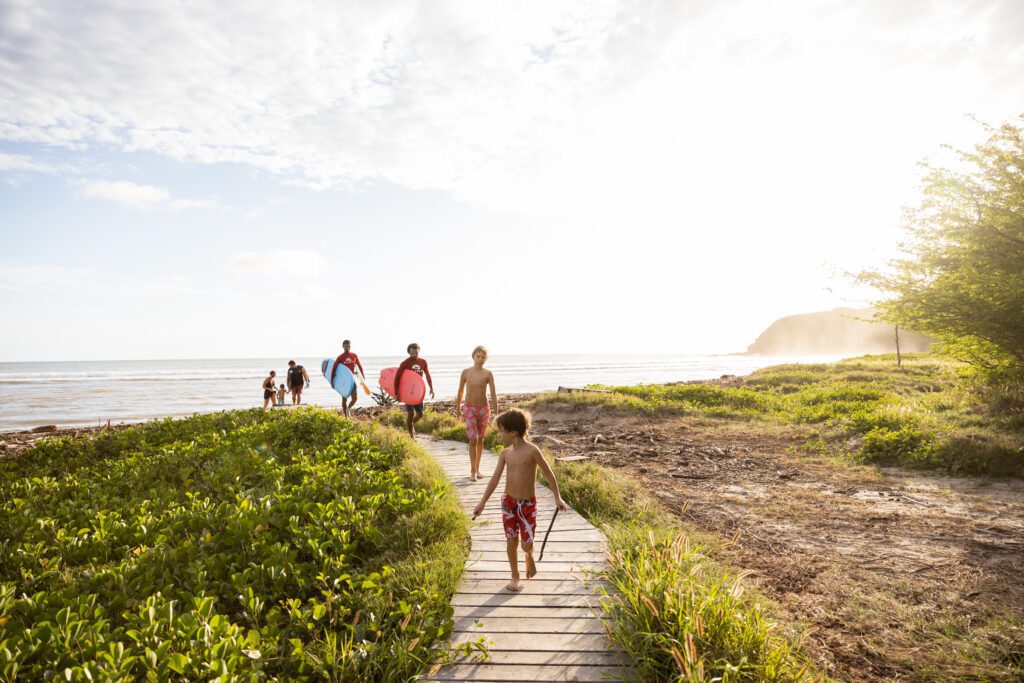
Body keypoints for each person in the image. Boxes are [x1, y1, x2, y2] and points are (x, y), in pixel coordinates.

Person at [472, 409, 567, 593]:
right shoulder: (505, 453)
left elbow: (549, 473)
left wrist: (557, 497)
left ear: (513, 432)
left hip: (527, 505)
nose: (499, 435)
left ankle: (529, 554)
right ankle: (514, 576)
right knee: (511, 540)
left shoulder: (533, 451)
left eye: (501, 431)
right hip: (508, 502)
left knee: (526, 544)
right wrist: (482, 502)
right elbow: (495, 479)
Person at [456, 345, 498, 482]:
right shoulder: (466, 372)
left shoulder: (488, 374)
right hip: (469, 408)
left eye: (483, 357)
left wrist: (496, 413)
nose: (480, 359)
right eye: (478, 356)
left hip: (483, 408)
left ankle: (478, 468)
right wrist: (458, 409)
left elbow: (493, 394)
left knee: (481, 439)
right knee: (472, 439)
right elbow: (460, 392)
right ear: (473, 356)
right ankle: (472, 470)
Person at [394, 343, 435, 437]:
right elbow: (397, 377)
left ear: (419, 351)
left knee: (420, 414)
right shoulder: (405, 363)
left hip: (418, 391)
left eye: (416, 352)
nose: (415, 354)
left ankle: (410, 425)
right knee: (410, 412)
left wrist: (431, 388)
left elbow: (428, 375)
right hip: (407, 391)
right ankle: (411, 435)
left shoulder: (423, 362)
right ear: (409, 352)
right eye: (412, 353)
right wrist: (396, 392)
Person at [332, 340, 365, 416]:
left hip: (352, 381)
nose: (348, 347)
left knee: (355, 398)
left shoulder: (354, 356)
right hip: (344, 382)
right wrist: (332, 380)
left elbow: (359, 367)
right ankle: (346, 416)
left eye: (349, 346)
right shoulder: (340, 357)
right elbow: (334, 368)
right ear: (343, 346)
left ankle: (348, 409)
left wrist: (362, 378)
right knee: (344, 400)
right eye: (346, 346)